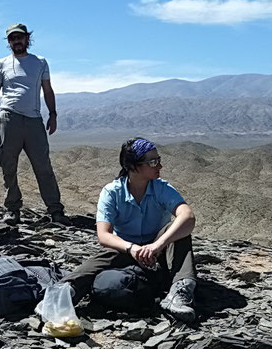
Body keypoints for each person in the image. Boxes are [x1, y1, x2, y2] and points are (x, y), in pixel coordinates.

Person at [61, 138, 198, 322]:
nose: (160, 165)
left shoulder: (162, 188)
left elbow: (187, 216)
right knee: (110, 252)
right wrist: (133, 248)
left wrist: (157, 245)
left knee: (178, 232)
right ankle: (65, 292)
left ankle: (180, 290)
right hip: (125, 254)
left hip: (159, 256)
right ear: (133, 166)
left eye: (158, 160)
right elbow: (103, 235)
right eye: (153, 162)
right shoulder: (112, 192)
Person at [0, 23, 70, 226]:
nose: (16, 41)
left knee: (43, 166)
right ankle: (12, 209)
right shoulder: (2, 64)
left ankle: (55, 209)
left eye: (20, 37)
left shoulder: (40, 62)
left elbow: (47, 90)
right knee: (8, 165)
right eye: (12, 38)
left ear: (27, 39)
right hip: (9, 118)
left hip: (33, 121)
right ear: (9, 42)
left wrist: (53, 114)